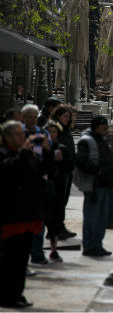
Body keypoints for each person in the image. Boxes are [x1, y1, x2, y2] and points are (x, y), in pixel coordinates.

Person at [0, 120, 48, 308]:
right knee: (10, 260)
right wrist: (24, 152)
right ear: (7, 137)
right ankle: (6, 295)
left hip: (27, 214)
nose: (22, 137)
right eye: (18, 134)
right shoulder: (5, 153)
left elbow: (42, 171)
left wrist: (46, 151)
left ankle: (17, 293)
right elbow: (10, 170)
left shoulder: (25, 154)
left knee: (21, 260)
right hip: (12, 216)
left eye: (23, 134)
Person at [74, 115, 113, 257]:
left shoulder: (103, 140)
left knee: (102, 218)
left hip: (105, 185)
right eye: (103, 128)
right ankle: (90, 246)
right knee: (92, 217)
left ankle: (98, 244)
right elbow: (80, 161)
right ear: (96, 127)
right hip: (94, 186)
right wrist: (96, 170)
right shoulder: (87, 141)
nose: (105, 130)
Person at [21, 104, 50, 266]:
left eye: (34, 117)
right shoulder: (17, 134)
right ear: (23, 118)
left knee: (40, 218)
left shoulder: (43, 133)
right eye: (29, 117)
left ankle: (37, 253)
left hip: (39, 180)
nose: (32, 120)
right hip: (22, 182)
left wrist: (47, 149)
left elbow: (50, 156)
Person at [41, 121, 67, 262]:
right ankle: (37, 251)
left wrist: (61, 161)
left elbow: (68, 167)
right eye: (49, 132)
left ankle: (53, 250)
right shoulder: (39, 148)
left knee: (54, 220)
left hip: (57, 187)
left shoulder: (61, 148)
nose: (52, 135)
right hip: (42, 188)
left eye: (54, 132)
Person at [51, 105, 77, 240]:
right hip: (59, 171)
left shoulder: (66, 130)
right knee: (58, 201)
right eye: (64, 116)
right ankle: (55, 229)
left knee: (63, 200)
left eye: (68, 116)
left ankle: (60, 227)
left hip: (68, 169)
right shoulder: (56, 131)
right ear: (58, 116)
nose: (67, 119)